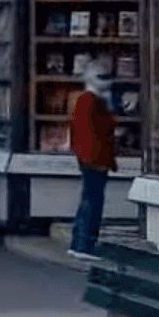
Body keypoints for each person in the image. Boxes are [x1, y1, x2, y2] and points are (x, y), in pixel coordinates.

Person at [68, 68, 120, 258]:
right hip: (95, 159)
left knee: (89, 200)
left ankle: (79, 242)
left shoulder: (86, 101)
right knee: (93, 201)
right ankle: (85, 244)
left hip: (91, 158)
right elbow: (93, 133)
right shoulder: (91, 101)